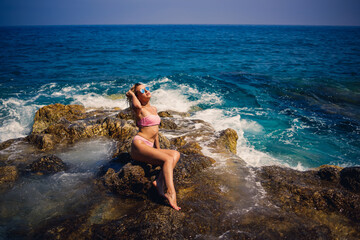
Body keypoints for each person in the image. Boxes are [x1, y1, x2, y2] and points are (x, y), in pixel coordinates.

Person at [126, 83, 181, 211]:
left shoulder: (154, 109)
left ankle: (159, 181)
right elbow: (136, 105)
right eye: (142, 91)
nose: (146, 91)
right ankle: (171, 192)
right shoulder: (139, 109)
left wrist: (158, 149)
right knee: (167, 160)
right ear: (138, 96)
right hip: (139, 145)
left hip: (150, 146)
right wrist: (132, 94)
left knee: (175, 154)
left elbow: (155, 132)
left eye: (147, 88)